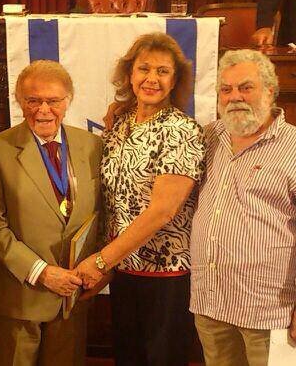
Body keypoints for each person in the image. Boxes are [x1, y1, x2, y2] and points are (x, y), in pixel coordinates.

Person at [189, 49, 296, 365]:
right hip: (211, 303)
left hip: (272, 312)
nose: (235, 97)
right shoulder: (210, 137)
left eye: (246, 87)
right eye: (226, 89)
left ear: (270, 91)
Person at [75, 33, 205, 366]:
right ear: (129, 74)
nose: (152, 78)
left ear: (174, 80)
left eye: (162, 71)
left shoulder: (181, 130)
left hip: (166, 276)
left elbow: (162, 211)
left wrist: (103, 260)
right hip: (124, 271)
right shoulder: (119, 123)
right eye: (143, 68)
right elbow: (113, 200)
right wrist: (110, 263)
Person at [0, 60, 103, 366]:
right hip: (19, 298)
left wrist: (98, 267)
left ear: (68, 101)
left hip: (72, 298)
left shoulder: (92, 145)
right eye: (33, 101)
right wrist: (42, 272)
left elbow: (103, 213)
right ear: (21, 102)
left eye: (53, 101)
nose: (43, 110)